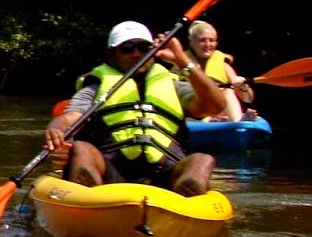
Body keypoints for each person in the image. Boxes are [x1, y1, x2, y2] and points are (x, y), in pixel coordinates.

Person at [41, 20, 227, 196]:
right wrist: (55, 129)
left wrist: (182, 61)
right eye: (127, 48)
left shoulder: (172, 84)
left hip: (165, 173)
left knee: (202, 160)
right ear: (111, 54)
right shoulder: (96, 87)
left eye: (144, 48)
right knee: (81, 148)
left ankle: (184, 208)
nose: (136, 54)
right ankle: (87, 203)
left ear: (153, 51)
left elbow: (216, 106)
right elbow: (71, 117)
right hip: (111, 172)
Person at [186, 20, 255, 122]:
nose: (207, 44)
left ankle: (236, 122)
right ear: (192, 42)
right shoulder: (181, 63)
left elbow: (248, 99)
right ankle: (208, 120)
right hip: (196, 112)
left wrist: (243, 87)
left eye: (211, 40)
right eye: (202, 40)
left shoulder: (223, 65)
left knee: (228, 92)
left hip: (220, 111)